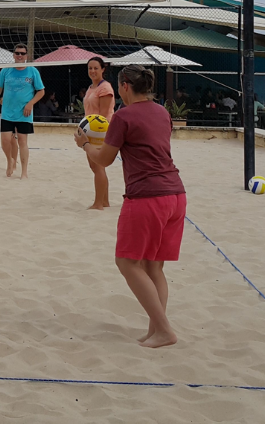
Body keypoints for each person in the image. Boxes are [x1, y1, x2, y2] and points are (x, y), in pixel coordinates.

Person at [74, 65, 186, 349]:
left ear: (124, 86)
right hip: (175, 194)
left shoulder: (123, 116)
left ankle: (163, 330)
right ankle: (156, 329)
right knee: (154, 266)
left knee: (126, 261)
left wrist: (85, 144)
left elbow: (104, 160)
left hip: (147, 197)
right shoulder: (162, 112)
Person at [0, 43, 45, 179]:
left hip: (24, 113)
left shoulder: (32, 71)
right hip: (7, 112)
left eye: (22, 53)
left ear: (26, 56)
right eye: (17, 53)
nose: (19, 55)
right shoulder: (6, 70)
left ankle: (24, 172)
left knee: (22, 141)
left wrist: (30, 103)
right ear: (13, 54)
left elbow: (41, 91)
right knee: (5, 140)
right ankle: (10, 160)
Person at [83, 56, 115, 210]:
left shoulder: (105, 88)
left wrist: (93, 132)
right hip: (90, 130)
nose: (93, 71)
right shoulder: (91, 87)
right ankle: (105, 201)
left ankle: (98, 204)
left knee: (98, 166)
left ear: (103, 69)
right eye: (90, 68)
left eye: (96, 68)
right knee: (95, 167)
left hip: (99, 131)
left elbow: (103, 116)